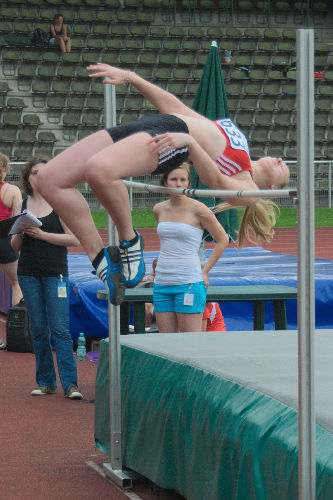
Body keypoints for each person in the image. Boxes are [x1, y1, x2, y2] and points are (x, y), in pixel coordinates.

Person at [36, 62, 290, 307]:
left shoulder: (251, 190)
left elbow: (215, 181)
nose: (279, 159)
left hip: (173, 140)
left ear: (275, 189)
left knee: (99, 171)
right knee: (49, 179)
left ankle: (130, 241)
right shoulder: (241, 146)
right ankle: (101, 260)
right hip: (159, 123)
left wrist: (190, 143)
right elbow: (176, 108)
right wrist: (132, 77)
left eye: (284, 168)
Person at [11, 157, 82, 400]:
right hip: (28, 273)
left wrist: (41, 235)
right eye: (34, 173)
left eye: (43, 172)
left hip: (55, 273)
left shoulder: (59, 203)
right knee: (39, 330)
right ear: (27, 177)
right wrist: (20, 233)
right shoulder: (21, 204)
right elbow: (15, 246)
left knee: (60, 329)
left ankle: (71, 384)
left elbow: (74, 238)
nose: (38, 177)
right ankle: (46, 382)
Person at [152, 163, 229, 333]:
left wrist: (205, 271)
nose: (178, 184)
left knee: (189, 343)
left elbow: (222, 239)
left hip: (188, 282)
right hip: (162, 283)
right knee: (166, 344)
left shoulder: (198, 209)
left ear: (188, 182)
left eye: (183, 180)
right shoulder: (159, 209)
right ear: (165, 181)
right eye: (174, 179)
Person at [0, 153, 23, 307]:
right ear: (6, 168)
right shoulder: (12, 190)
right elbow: (18, 221)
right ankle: (18, 324)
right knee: (16, 282)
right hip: (4, 240)